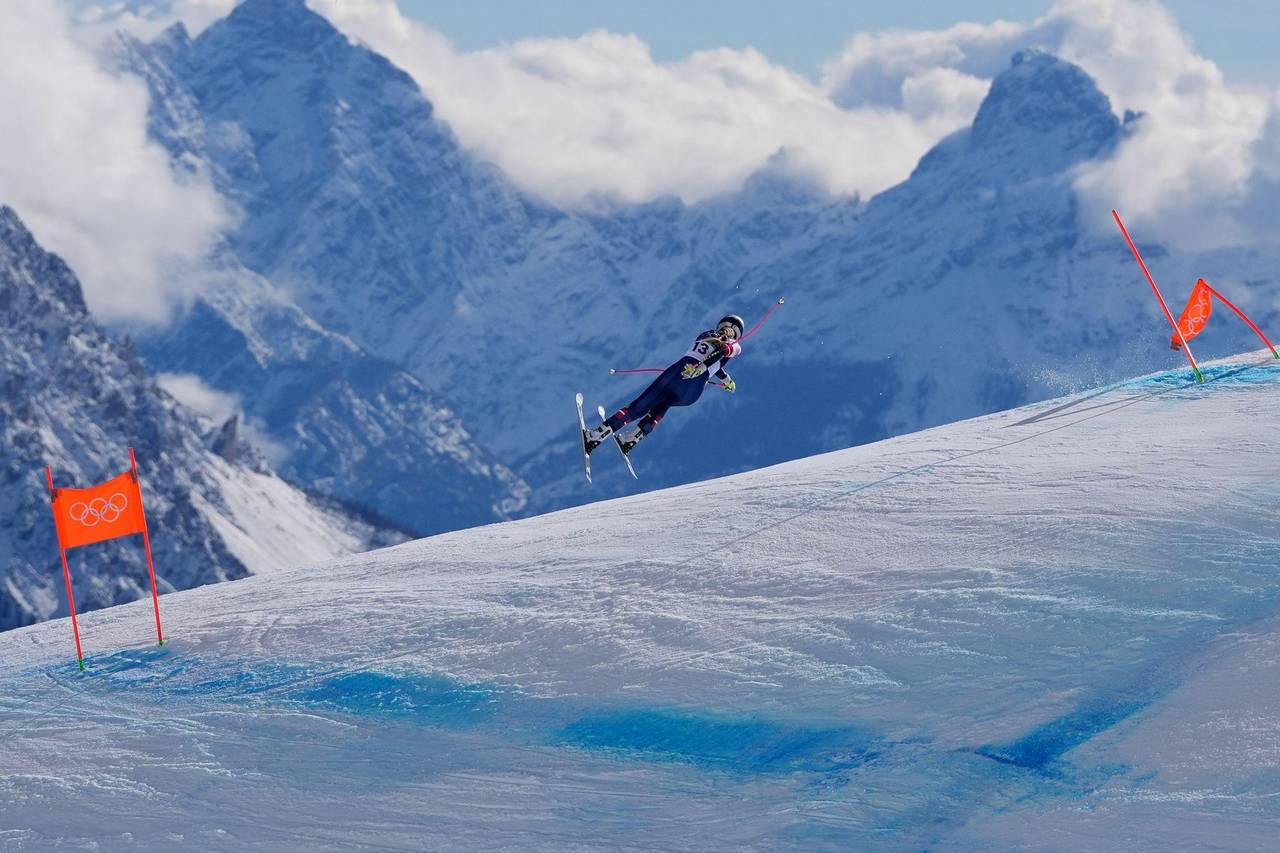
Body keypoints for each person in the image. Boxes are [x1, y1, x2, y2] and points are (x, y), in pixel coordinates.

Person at [585, 314, 744, 454]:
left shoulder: (707, 334)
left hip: (680, 371)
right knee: (663, 405)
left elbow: (718, 355)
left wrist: (720, 376)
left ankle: (596, 435)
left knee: (639, 407)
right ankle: (631, 439)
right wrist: (724, 379)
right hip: (693, 391)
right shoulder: (733, 345)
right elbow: (722, 353)